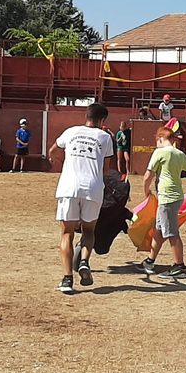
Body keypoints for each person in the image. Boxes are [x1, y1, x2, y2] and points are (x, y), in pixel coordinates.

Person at [47, 103, 114, 293]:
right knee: (88, 230)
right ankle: (84, 261)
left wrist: (58, 160)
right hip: (93, 187)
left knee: (67, 233)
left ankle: (67, 279)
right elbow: (106, 169)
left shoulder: (71, 132)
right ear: (102, 121)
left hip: (69, 186)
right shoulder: (105, 137)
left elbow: (53, 150)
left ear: (86, 116)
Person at [139, 127, 186, 279]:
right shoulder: (179, 154)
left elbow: (148, 175)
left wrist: (146, 191)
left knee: (171, 232)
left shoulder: (160, 152)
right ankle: (150, 261)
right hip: (175, 196)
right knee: (159, 230)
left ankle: (180, 266)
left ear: (160, 139)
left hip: (167, 198)